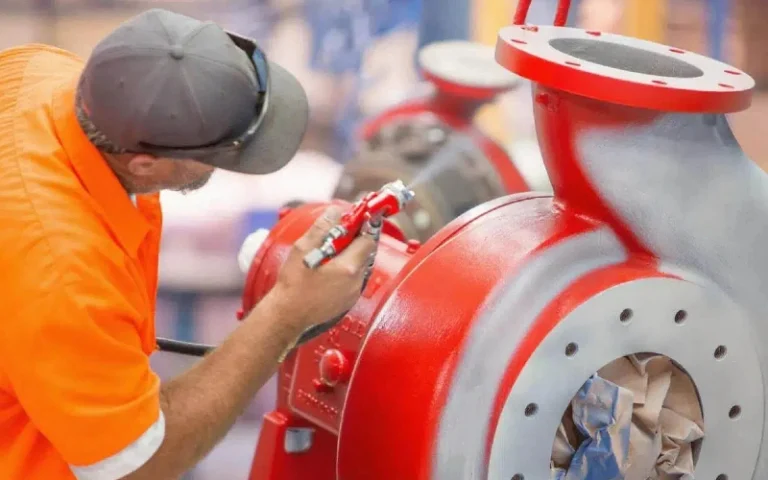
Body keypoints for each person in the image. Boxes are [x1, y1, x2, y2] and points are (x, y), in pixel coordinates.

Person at [0, 8, 375, 480]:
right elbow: (138, 463)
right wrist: (287, 312)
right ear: (143, 164)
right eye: (219, 154)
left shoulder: (38, 72)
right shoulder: (63, 273)